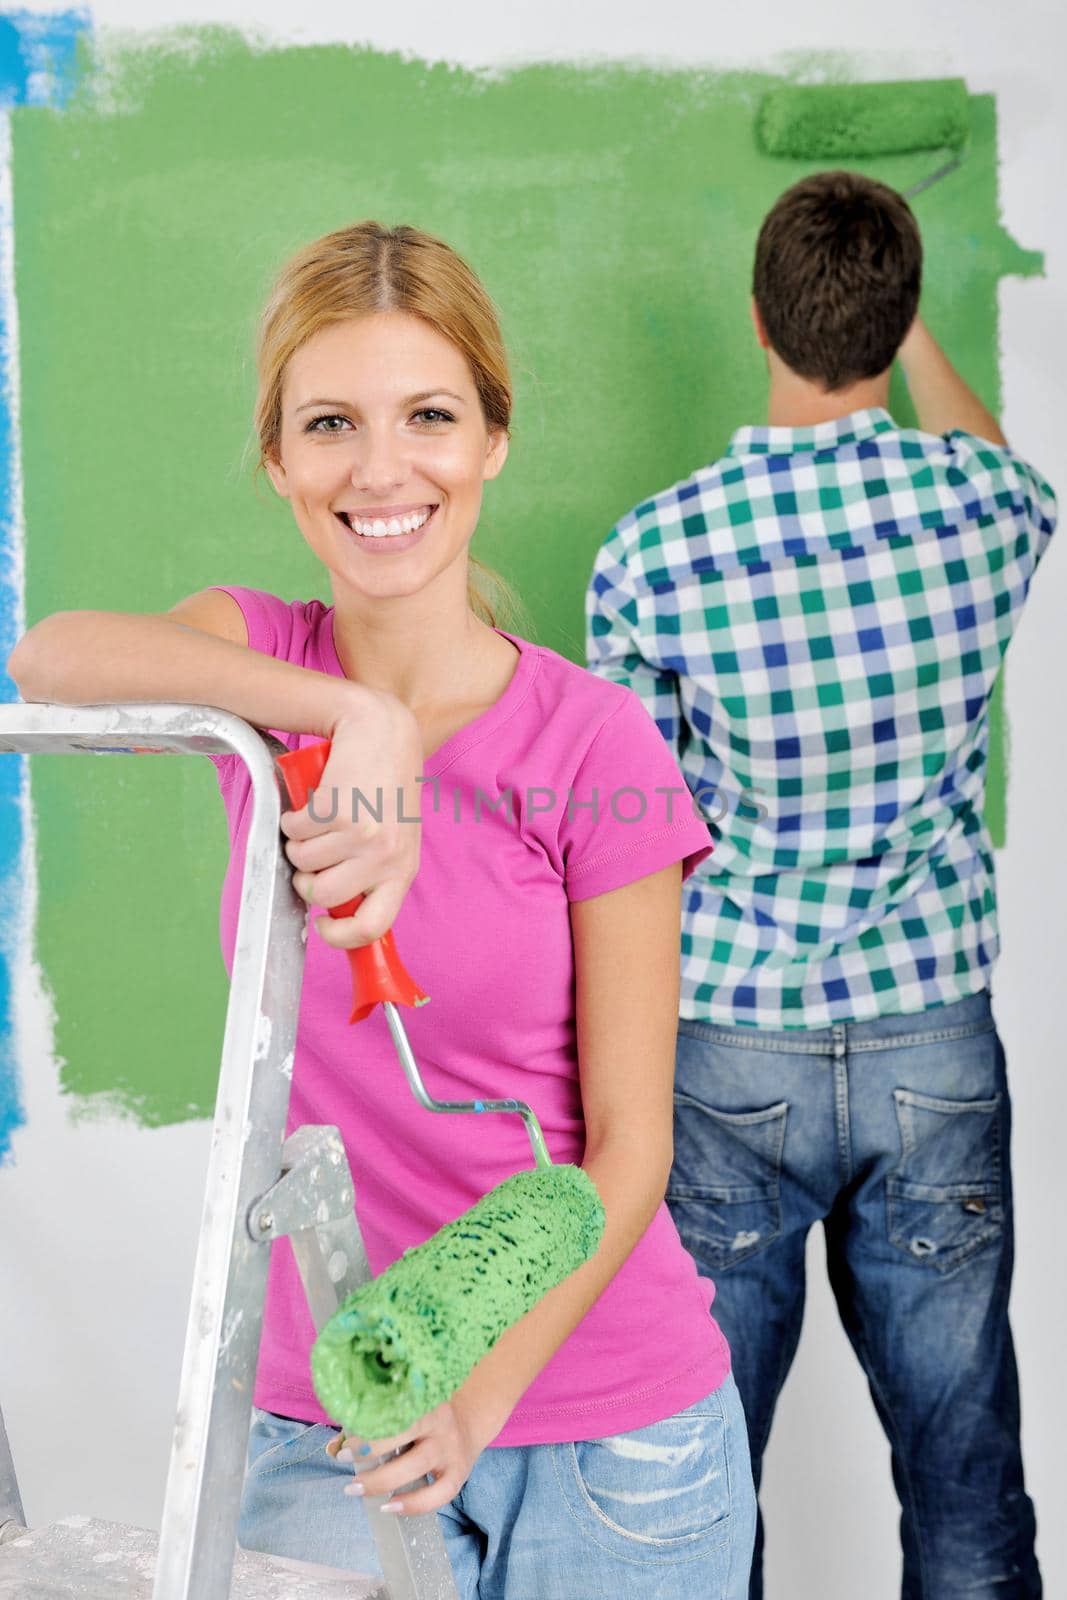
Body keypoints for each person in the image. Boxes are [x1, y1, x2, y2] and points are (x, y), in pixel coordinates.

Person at [9, 220, 756, 1599]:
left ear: (491, 441)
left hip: (608, 1432)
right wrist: (356, 715)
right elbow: (48, 662)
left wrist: (478, 1398)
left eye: (428, 416)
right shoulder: (253, 659)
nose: (381, 467)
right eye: (331, 423)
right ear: (281, 460)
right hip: (336, 1413)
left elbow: (636, 1147)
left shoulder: (596, 749)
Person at [585, 171, 1055, 1600]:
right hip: (933, 1042)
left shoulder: (656, 554)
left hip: (728, 1048)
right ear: (902, 322)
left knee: (698, 1467)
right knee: (963, 1467)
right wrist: (908, 336)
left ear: (755, 321)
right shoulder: (986, 510)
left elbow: (631, 837)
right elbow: (993, 454)